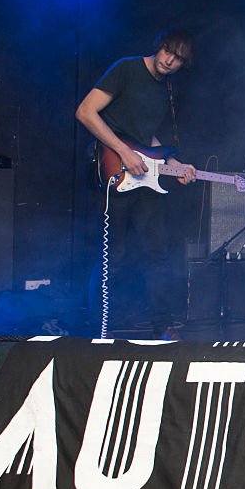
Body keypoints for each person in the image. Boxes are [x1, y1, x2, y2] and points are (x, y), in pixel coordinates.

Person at [75, 29, 197, 340]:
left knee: (158, 252)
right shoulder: (126, 69)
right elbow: (86, 112)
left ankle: (162, 327)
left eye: (178, 59)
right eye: (168, 52)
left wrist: (173, 164)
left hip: (143, 176)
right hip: (114, 171)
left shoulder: (165, 91)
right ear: (159, 46)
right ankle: (94, 328)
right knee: (113, 254)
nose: (169, 61)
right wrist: (122, 151)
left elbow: (148, 139)